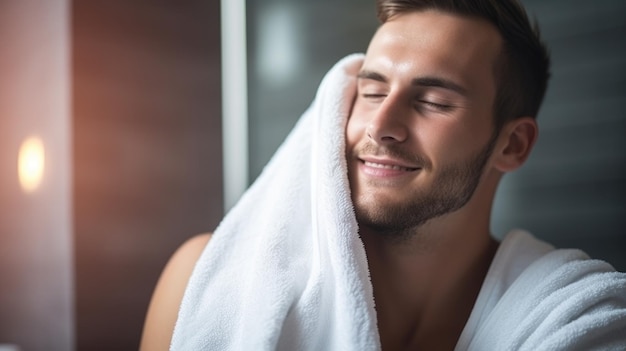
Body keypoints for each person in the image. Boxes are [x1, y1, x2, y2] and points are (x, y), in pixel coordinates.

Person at [141, 1, 626, 350]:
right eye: (371, 92)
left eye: (433, 101)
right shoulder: (204, 280)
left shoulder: (569, 318)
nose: (381, 126)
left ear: (512, 144)